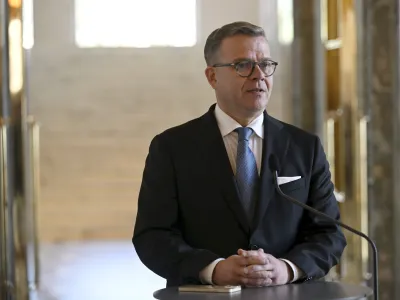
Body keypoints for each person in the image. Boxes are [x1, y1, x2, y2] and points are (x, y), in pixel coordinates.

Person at [132, 21, 346, 288]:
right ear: (212, 77)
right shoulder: (172, 148)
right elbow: (152, 236)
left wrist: (287, 268)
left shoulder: (305, 147)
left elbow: (330, 234)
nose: (258, 75)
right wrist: (213, 269)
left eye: (266, 64)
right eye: (243, 65)